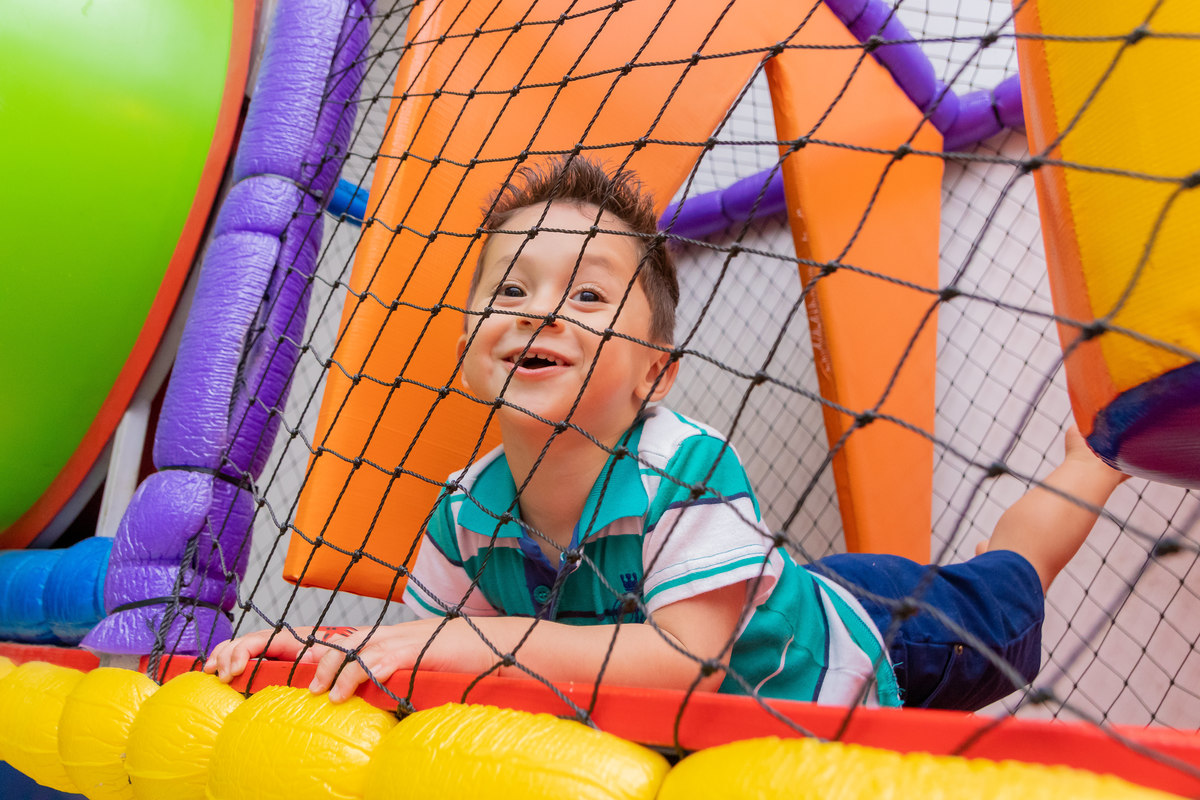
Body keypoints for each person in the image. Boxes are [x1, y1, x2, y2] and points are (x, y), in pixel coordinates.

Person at [205, 157, 1128, 710]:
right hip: (761, 595)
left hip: (878, 639)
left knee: (1010, 582)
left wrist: (453, 646)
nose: (540, 314)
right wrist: (313, 655)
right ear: (466, 342)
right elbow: (430, 668)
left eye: (590, 295)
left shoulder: (680, 465)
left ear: (656, 373)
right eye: (513, 289)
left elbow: (682, 664)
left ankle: (1103, 447)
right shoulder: (464, 517)